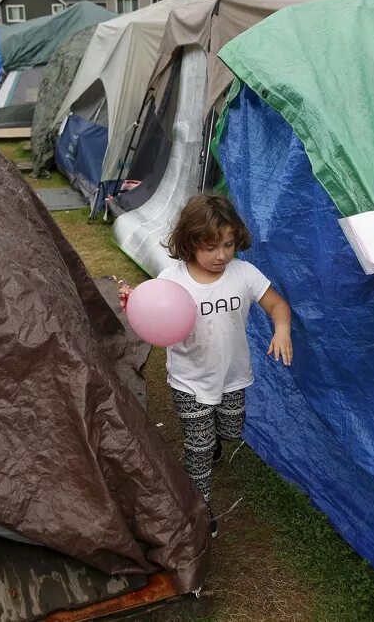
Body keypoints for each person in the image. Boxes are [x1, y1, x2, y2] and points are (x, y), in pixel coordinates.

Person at [118, 194, 292, 537]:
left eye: (228, 244)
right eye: (211, 246)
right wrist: (135, 300)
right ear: (190, 241)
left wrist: (282, 328)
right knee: (197, 450)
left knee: (230, 431)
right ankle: (200, 504)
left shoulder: (244, 274)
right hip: (190, 380)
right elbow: (155, 307)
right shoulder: (173, 278)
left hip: (233, 377)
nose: (221, 255)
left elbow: (277, 304)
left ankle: (213, 442)